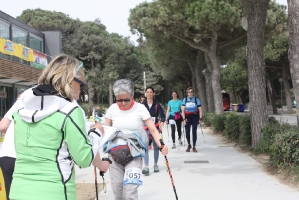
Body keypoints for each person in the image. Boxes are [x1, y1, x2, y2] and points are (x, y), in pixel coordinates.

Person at [1, 54, 110, 200]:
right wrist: (97, 132)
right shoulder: (70, 110)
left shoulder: (23, 104)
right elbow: (83, 159)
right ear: (71, 80)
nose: (81, 90)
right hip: (55, 190)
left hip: (19, 190)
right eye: (81, 84)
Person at [104, 79, 168, 200]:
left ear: (132, 96)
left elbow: (153, 130)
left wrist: (161, 145)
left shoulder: (140, 108)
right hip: (114, 154)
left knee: (130, 192)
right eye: (119, 100)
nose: (123, 103)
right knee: (117, 191)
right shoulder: (112, 109)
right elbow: (105, 130)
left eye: (126, 99)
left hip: (135, 154)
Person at [142, 86, 165, 176]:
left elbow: (162, 115)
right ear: (145, 94)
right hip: (145, 128)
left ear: (153, 93)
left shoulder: (157, 104)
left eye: (151, 92)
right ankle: (146, 166)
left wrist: (162, 121)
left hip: (155, 128)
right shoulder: (142, 105)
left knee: (156, 146)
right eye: (148, 92)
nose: (149, 94)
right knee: (145, 147)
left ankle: (155, 164)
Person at [181, 87, 203, 153]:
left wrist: (200, 118)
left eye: (191, 91)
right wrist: (184, 119)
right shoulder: (185, 100)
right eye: (189, 92)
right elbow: (182, 110)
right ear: (187, 93)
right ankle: (189, 144)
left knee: (194, 131)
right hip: (187, 116)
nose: (190, 93)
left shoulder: (196, 99)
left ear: (193, 92)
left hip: (195, 116)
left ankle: (194, 146)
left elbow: (200, 109)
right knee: (187, 132)